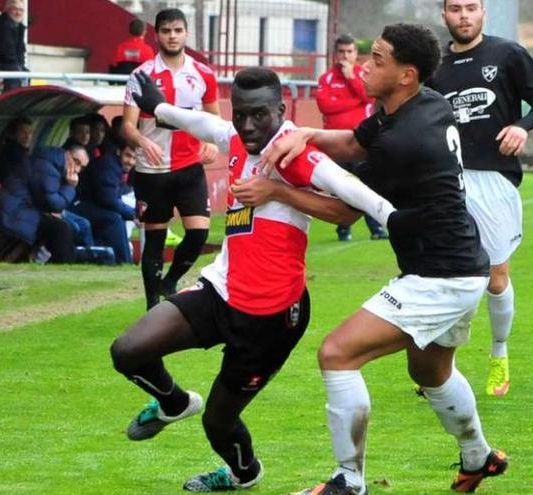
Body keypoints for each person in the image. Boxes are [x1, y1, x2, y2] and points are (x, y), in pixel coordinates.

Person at [112, 66, 398, 493]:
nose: (248, 126)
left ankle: (244, 474)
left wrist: (280, 192)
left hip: (271, 317)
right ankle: (173, 403)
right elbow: (203, 122)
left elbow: (350, 203)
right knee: (128, 351)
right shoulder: (233, 136)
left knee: (219, 423)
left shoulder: (296, 155)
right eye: (241, 114)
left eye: (259, 115)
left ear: (282, 111)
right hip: (221, 290)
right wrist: (158, 106)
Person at [257, 24, 507, 494]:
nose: (366, 66)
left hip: (440, 276)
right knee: (429, 371)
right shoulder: (421, 104)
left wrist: (276, 190)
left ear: (406, 74)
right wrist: (308, 132)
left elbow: (345, 208)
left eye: (378, 60)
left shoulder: (405, 140)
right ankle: (479, 458)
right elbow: (355, 142)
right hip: (459, 264)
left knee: (337, 353)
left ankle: (347, 482)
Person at [427, 0, 533, 396]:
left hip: (494, 179)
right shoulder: (433, 67)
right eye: (455, 9)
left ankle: (499, 353)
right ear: (443, 14)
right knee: (446, 273)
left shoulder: (507, 54)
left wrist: (521, 126)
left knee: (496, 278)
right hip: (445, 180)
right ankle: (441, 367)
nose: (464, 16)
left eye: (471, 7)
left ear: (483, 13)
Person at [121, 8, 220, 310]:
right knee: (154, 239)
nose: (172, 36)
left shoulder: (203, 74)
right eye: (166, 31)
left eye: (177, 30)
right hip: (152, 169)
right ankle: (152, 306)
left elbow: (214, 119)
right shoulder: (141, 76)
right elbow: (127, 125)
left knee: (199, 233)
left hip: (189, 166)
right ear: (157, 35)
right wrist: (141, 140)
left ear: (186, 33)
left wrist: (211, 142)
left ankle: (170, 281)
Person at [316, 34, 387, 242]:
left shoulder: (363, 73)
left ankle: (376, 228)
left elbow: (369, 97)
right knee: (340, 188)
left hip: (363, 142)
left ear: (356, 53)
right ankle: (343, 229)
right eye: (341, 52)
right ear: (335, 54)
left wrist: (351, 80)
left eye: (349, 51)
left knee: (369, 185)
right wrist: (354, 102)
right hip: (336, 143)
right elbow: (325, 107)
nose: (345, 56)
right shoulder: (326, 78)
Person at [0, 143, 88, 264]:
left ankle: (60, 264)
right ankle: (63, 268)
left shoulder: (51, 162)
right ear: (67, 154)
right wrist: (70, 186)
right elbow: (53, 204)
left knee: (66, 226)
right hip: (12, 212)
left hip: (20, 209)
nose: (77, 169)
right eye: (76, 161)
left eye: (81, 167)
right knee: (61, 228)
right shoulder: (47, 167)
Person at [70, 140, 138, 264]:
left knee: (116, 217)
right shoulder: (108, 165)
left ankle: (118, 259)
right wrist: (134, 214)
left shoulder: (114, 165)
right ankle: (123, 262)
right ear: (119, 152)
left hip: (88, 203)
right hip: (77, 204)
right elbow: (108, 199)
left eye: (134, 158)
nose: (131, 162)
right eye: (128, 156)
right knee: (114, 219)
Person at [0, 116, 34, 185]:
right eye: (23, 132)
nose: (27, 136)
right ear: (13, 134)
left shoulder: (20, 153)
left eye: (30, 132)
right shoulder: (9, 154)